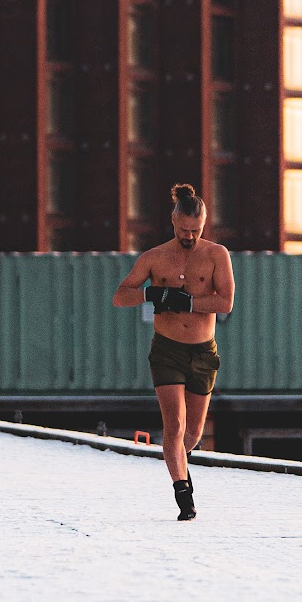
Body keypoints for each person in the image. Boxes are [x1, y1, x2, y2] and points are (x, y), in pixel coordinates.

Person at [113, 183, 235, 521]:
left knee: (192, 433)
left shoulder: (216, 255)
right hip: (167, 350)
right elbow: (120, 296)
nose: (189, 237)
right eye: (184, 230)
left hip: (202, 352)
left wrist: (188, 302)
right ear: (173, 222)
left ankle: (181, 465)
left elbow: (226, 301)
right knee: (175, 426)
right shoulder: (154, 257)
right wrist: (152, 295)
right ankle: (184, 496)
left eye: (196, 231)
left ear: (204, 225)